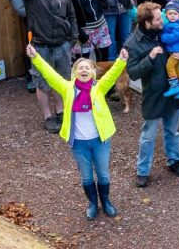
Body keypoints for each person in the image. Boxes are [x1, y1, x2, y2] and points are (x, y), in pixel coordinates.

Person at [27, 44, 128, 219]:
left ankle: (106, 202)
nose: (84, 70)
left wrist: (121, 60)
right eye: (80, 68)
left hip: (100, 141)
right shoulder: (67, 88)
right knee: (86, 177)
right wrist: (35, 57)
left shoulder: (100, 87)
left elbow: (112, 74)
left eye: (87, 67)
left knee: (103, 174)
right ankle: (93, 204)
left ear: (93, 72)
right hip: (79, 143)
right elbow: (50, 74)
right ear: (74, 73)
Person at [124, 2, 179, 188]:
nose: (163, 20)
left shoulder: (166, 31)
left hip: (173, 90)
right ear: (147, 23)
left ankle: (174, 161)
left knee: (173, 131)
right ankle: (143, 171)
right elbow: (133, 73)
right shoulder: (132, 44)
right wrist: (150, 57)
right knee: (148, 136)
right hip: (153, 95)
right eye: (159, 18)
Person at [18, 0, 77, 133]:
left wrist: (72, 40)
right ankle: (48, 116)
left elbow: (72, 16)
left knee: (61, 80)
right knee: (42, 84)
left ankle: (60, 111)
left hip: (62, 45)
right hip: (40, 47)